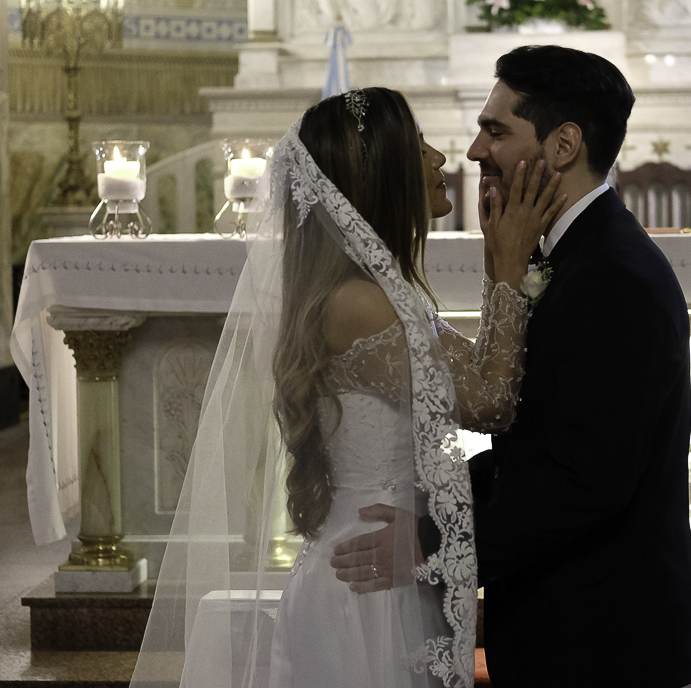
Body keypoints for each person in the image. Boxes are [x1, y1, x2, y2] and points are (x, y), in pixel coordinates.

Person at [129, 87, 565, 688]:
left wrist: (501, 269)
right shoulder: (359, 303)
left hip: (382, 563)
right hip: (367, 589)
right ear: (378, 175)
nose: (442, 158)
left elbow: (480, 379)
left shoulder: (370, 293)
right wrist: (508, 271)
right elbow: (490, 402)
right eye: (418, 147)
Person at [333, 46, 691, 686]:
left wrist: (428, 539)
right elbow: (529, 452)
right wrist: (427, 506)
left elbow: (584, 481)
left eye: (496, 131)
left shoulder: (612, 278)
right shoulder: (574, 259)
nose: (474, 152)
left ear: (563, 146)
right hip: (565, 628)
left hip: (599, 642)